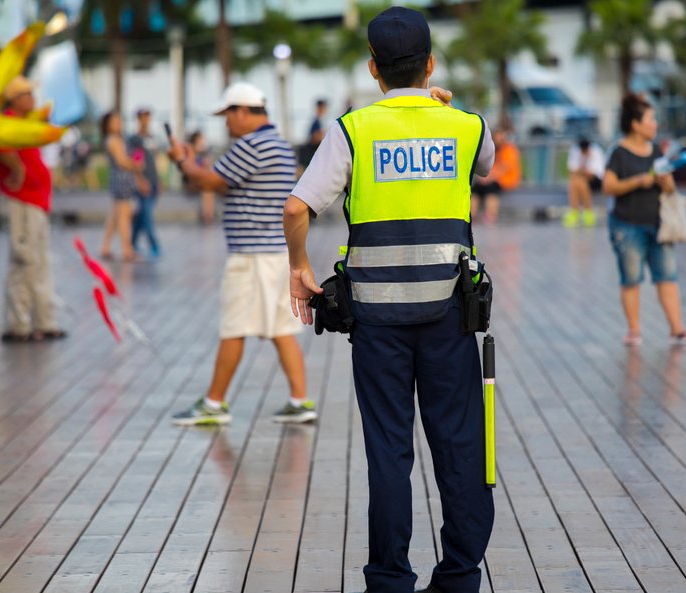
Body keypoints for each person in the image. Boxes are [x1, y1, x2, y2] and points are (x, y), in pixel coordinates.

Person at [283, 8, 495, 593]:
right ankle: (458, 576)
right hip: (450, 315)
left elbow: (297, 207)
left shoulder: (353, 130)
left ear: (373, 68)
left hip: (376, 321)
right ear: (430, 65)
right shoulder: (466, 125)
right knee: (458, 445)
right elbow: (487, 166)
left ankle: (390, 578)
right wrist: (442, 110)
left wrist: (300, 267)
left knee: (388, 451)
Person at [167, 82, 315, 426]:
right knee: (281, 328)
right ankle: (300, 400)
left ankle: (214, 404)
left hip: (250, 255)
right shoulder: (278, 144)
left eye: (228, 116)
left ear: (243, 111)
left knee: (234, 326)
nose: (226, 124)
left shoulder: (250, 145)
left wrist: (182, 162)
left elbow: (209, 181)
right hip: (276, 252)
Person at [603, 93, 686, 347]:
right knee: (631, 279)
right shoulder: (619, 152)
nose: (655, 124)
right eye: (650, 119)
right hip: (626, 225)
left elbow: (669, 189)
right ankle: (634, 331)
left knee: (667, 276)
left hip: (659, 225)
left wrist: (666, 182)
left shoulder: (656, 151)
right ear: (635, 124)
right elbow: (608, 186)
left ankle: (677, 330)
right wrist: (639, 181)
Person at [0, 76, 67, 343]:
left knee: (39, 262)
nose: (32, 98)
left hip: (35, 200)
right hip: (20, 200)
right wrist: (17, 168)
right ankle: (18, 324)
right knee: (22, 261)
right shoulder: (8, 121)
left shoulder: (26, 121)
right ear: (14, 99)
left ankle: (43, 321)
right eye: (26, 94)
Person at [99, 111, 142, 262]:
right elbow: (122, 161)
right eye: (115, 121)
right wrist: (135, 165)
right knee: (124, 215)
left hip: (120, 181)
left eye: (119, 121)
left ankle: (105, 247)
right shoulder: (113, 140)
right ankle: (127, 249)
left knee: (115, 216)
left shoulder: (117, 139)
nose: (118, 124)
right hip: (121, 181)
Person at [128, 106, 161, 258]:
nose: (145, 120)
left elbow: (155, 160)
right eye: (143, 117)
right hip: (143, 183)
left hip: (153, 181)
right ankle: (154, 245)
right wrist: (140, 180)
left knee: (141, 217)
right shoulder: (135, 140)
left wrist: (159, 180)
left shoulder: (152, 138)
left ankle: (132, 244)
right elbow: (135, 161)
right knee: (146, 215)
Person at [471, 124, 520, 223]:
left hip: (505, 180)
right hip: (490, 179)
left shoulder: (509, 149)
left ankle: (490, 216)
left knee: (492, 189)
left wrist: (488, 178)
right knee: (475, 189)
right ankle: (472, 215)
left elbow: (503, 168)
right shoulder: (493, 149)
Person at [564, 136, 605, 227]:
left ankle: (575, 211)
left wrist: (582, 167)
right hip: (581, 180)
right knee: (577, 181)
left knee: (579, 181)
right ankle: (587, 213)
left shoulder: (596, 151)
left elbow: (594, 174)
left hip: (596, 180)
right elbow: (572, 172)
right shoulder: (575, 151)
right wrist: (583, 167)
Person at [187, 130, 216, 225]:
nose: (202, 141)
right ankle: (207, 216)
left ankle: (208, 215)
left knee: (208, 190)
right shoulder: (191, 152)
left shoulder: (203, 153)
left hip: (202, 179)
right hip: (193, 181)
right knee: (207, 190)